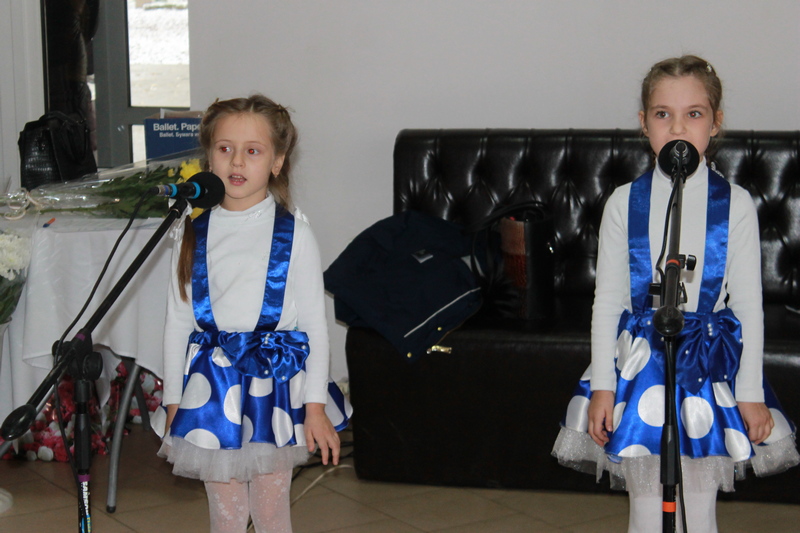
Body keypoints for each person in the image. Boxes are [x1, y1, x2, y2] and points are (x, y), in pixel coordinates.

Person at [551, 55, 799, 532]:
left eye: (694, 113)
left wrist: (749, 392)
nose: (678, 127)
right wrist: (603, 385)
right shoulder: (623, 202)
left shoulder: (736, 205)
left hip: (707, 366)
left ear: (715, 123)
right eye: (663, 114)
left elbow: (748, 306)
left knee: (699, 505)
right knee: (648, 505)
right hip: (641, 369)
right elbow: (609, 302)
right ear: (644, 124)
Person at [154, 94, 351, 532]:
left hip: (275, 387)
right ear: (209, 157)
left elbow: (314, 326)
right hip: (210, 388)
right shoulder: (190, 233)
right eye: (225, 148)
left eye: (253, 150)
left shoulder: (294, 234)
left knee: (270, 511)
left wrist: (315, 407)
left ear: (277, 162)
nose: (237, 161)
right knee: (225, 514)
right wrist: (173, 402)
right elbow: (178, 324)